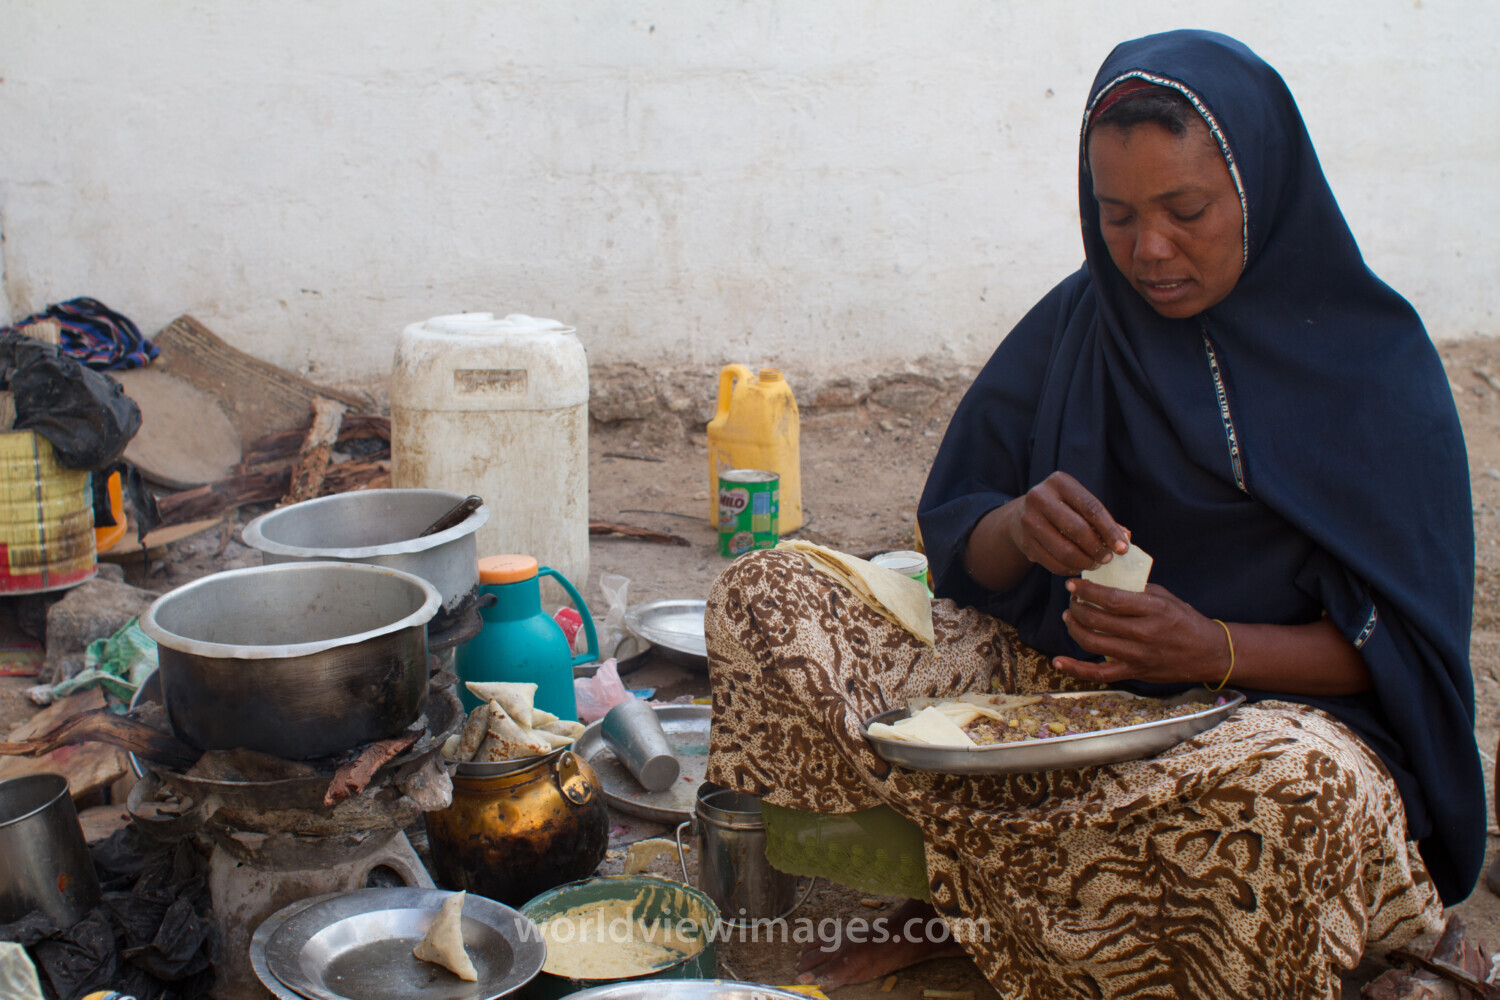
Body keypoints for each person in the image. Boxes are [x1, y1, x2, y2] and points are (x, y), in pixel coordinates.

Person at [704, 29, 1483, 999]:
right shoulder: (1085, 321)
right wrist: (1020, 527)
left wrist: (1211, 649)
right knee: (766, 594)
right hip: (1046, 703)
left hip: (1251, 725)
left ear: (1263, 190)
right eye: (1115, 215)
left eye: (1185, 210)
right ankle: (1022, 888)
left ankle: (984, 895)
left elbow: (1408, 651)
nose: (1148, 248)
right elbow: (961, 542)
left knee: (1295, 795)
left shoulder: (1374, 371)